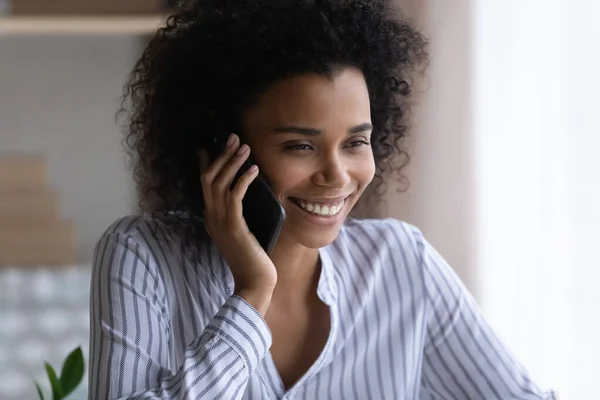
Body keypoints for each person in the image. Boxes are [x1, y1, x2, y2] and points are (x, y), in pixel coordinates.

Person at [88, 0, 557, 399]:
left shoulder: (400, 263)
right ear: (221, 148)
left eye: (355, 143)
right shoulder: (142, 254)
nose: (337, 175)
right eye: (301, 146)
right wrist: (251, 295)